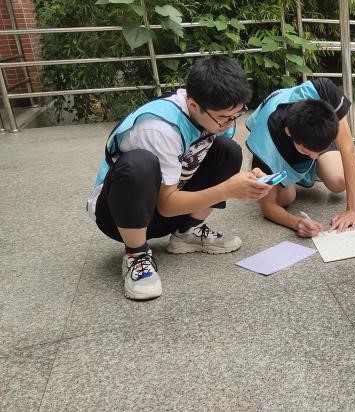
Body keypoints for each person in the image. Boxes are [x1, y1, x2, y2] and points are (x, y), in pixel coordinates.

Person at [86, 55, 272, 301]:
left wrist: (246, 180)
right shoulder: (159, 128)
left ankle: (187, 233)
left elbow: (200, 163)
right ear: (193, 105)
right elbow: (166, 205)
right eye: (224, 118)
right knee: (138, 163)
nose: (230, 123)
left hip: (169, 205)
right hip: (121, 215)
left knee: (228, 151)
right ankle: (136, 255)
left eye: (236, 114)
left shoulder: (215, 112)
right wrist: (228, 189)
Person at [245, 78, 355, 238]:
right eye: (307, 151)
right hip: (274, 140)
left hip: (307, 133)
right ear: (289, 132)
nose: (314, 156)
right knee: (284, 199)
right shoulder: (265, 145)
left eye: (319, 151)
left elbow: (348, 148)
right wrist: (297, 223)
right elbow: (268, 207)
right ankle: (288, 170)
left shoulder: (325, 90)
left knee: (339, 181)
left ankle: (311, 166)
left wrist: (353, 210)